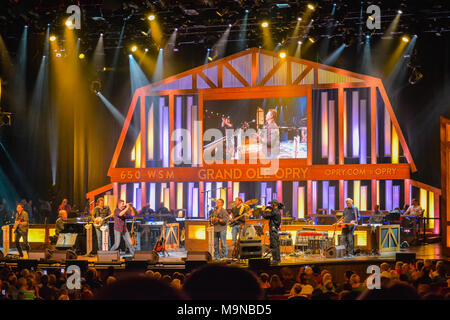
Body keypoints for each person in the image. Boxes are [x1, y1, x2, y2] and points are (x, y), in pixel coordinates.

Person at [262, 200, 282, 264]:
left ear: (274, 205)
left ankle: (275, 260)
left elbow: (266, 216)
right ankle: (277, 259)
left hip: (273, 229)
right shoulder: (277, 210)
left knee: (274, 245)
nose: (270, 206)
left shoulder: (275, 211)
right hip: (275, 229)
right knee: (276, 245)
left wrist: (263, 210)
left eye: (271, 204)